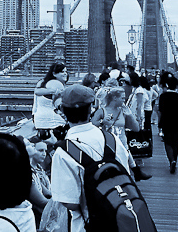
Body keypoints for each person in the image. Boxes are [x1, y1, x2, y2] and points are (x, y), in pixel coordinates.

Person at [51, 84, 133, 232]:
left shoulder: (63, 152)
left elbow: (71, 203)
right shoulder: (111, 139)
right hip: (121, 218)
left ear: (63, 111)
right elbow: (125, 174)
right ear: (91, 109)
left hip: (87, 225)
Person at [90, 85, 151, 181]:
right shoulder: (102, 111)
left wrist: (130, 115)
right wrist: (102, 122)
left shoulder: (123, 111)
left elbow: (136, 128)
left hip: (122, 146)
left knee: (124, 172)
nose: (124, 100)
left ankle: (131, 180)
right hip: (107, 146)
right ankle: (135, 172)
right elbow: (92, 126)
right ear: (115, 98)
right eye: (122, 98)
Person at [156, 74, 178, 173]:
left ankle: (171, 161)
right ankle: (175, 161)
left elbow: (160, 112)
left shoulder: (163, 96)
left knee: (167, 143)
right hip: (177, 122)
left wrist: (159, 123)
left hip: (165, 121)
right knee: (176, 143)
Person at [34, 61, 69, 140]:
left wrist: (34, 116)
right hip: (53, 121)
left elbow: (35, 99)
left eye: (66, 72)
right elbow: (59, 106)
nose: (65, 74)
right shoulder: (58, 86)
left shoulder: (41, 83)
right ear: (54, 74)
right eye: (62, 72)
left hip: (39, 120)